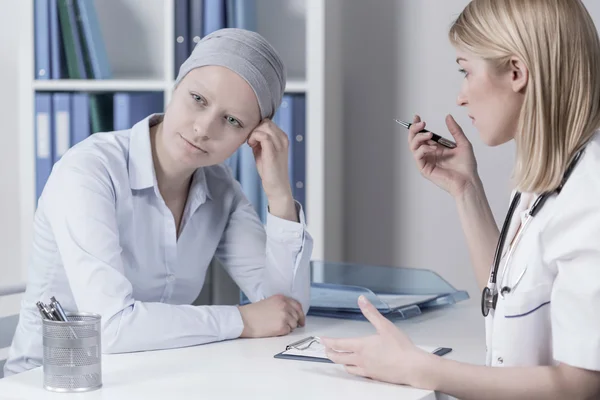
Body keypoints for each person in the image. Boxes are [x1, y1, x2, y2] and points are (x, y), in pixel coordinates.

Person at [321, 0, 600, 398]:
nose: (461, 97)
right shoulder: (546, 174)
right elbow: (507, 294)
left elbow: (582, 386)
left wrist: (420, 369)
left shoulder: (590, 193)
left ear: (517, 72)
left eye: (466, 71)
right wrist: (465, 189)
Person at [4, 28, 313, 376]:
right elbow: (112, 326)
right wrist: (240, 319)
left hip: (152, 375)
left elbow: (286, 311)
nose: (203, 129)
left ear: (251, 137)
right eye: (198, 99)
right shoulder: (89, 171)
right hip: (50, 382)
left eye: (231, 120)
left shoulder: (219, 187)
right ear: (176, 85)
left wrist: (280, 195)